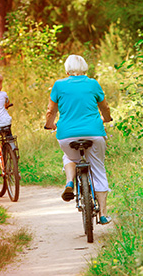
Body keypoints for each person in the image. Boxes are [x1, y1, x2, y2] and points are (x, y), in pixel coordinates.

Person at [44, 55, 113, 225]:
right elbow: (104, 107)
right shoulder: (93, 84)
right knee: (98, 168)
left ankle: (69, 182)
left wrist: (49, 125)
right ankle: (103, 214)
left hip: (67, 134)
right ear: (85, 69)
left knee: (70, 157)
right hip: (94, 133)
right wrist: (107, 118)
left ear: (67, 70)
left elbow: (50, 111)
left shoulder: (59, 85)